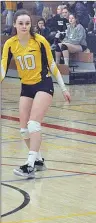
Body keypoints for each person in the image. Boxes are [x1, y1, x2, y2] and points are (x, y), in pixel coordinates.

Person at [0, 9, 71, 178]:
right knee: (24, 130)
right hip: (26, 87)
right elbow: (3, 68)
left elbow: (52, 65)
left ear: (30, 25)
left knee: (33, 124)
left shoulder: (39, 41)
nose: (24, 26)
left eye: (27, 23)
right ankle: (38, 160)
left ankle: (30, 165)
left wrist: (63, 88)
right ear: (15, 25)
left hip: (43, 84)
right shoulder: (10, 44)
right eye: (20, 23)